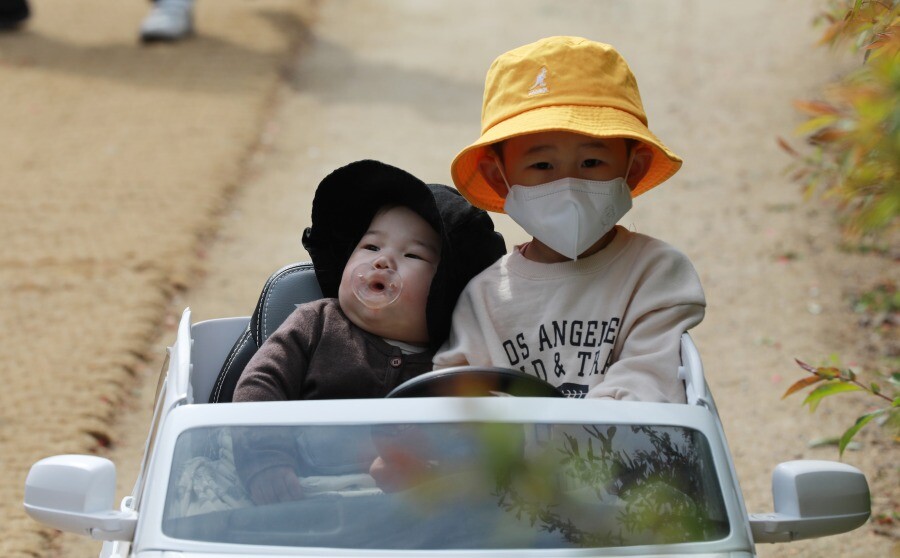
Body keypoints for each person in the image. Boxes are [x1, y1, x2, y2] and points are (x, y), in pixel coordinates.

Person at [433, 36, 706, 403]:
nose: (569, 185)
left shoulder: (656, 274)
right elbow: (453, 401)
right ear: (500, 177)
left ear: (633, 169)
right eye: (542, 165)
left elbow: (647, 380)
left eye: (591, 162)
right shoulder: (482, 300)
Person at [231, 159, 506, 504]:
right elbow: (260, 386)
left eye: (412, 255)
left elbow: (478, 443)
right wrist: (266, 463)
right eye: (371, 247)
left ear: (448, 290)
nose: (382, 261)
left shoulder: (456, 358)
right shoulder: (315, 323)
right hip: (302, 492)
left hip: (409, 508)